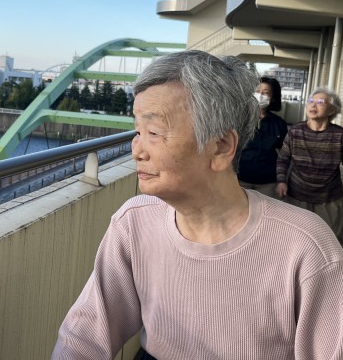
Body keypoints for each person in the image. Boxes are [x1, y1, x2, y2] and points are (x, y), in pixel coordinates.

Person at [52, 51, 343, 359]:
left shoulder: (306, 246)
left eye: (154, 133)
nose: (137, 150)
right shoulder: (134, 222)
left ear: (221, 147)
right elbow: (83, 338)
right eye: (138, 132)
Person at [276, 87, 343, 244]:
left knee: (330, 240)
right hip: (297, 194)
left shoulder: (340, 134)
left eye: (320, 102)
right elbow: (283, 158)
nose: (313, 105)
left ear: (332, 109)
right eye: (311, 101)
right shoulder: (296, 131)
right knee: (295, 238)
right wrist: (281, 181)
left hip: (329, 198)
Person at [237, 77, 288, 198]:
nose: (260, 95)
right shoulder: (239, 119)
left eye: (266, 93)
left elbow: (284, 155)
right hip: (240, 178)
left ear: (273, 98)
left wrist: (282, 180)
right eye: (257, 91)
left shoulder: (279, 124)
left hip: (268, 182)